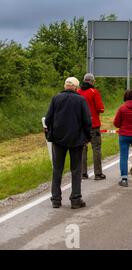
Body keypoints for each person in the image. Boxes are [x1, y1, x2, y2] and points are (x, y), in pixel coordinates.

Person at [45, 77, 91, 209]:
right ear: (76, 88)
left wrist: (51, 132)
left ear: (65, 86)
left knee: (57, 169)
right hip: (76, 139)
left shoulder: (56, 98)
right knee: (76, 170)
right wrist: (87, 137)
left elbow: (48, 119)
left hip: (58, 139)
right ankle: (75, 199)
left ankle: (56, 199)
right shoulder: (81, 100)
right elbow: (87, 121)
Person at [77, 73, 106, 180]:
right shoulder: (94, 92)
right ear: (92, 81)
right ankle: (98, 174)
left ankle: (83, 173)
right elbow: (101, 109)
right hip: (93, 125)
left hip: (81, 126)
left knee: (82, 149)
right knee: (96, 148)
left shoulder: (78, 92)